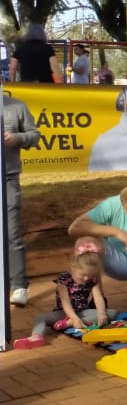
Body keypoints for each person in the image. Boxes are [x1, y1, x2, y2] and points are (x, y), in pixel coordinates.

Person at [13, 252, 115, 349]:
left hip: (82, 312)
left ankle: (66, 324)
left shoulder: (93, 279)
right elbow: (65, 303)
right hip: (63, 312)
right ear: (73, 268)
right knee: (40, 318)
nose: (86, 278)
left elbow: (98, 297)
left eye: (90, 275)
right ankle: (36, 337)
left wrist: (101, 313)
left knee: (111, 313)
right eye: (83, 274)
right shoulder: (64, 279)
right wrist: (74, 318)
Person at [3, 93, 39, 306]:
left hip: (7, 179)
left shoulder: (17, 106)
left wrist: (17, 138)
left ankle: (18, 286)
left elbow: (34, 136)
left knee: (12, 233)